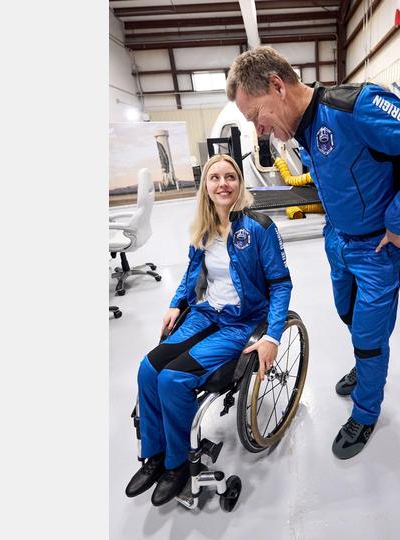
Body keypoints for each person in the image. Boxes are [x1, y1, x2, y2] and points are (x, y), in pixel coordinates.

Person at [227, 46, 400, 459]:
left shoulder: (357, 107)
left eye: (256, 116)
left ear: (276, 86)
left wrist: (398, 219)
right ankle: (363, 365)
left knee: (371, 335)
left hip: (378, 247)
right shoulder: (303, 132)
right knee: (347, 312)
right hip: (339, 240)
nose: (258, 130)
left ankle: (367, 411)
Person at [124, 154, 292, 505]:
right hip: (205, 313)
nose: (223, 184)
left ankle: (177, 465)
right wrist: (175, 302)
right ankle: (154, 456)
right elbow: (190, 274)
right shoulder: (202, 227)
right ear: (206, 187)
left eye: (230, 177)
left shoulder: (259, 227)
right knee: (148, 368)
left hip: (243, 322)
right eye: (214, 178)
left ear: (239, 183)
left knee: (173, 379)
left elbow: (280, 284)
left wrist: (272, 335)